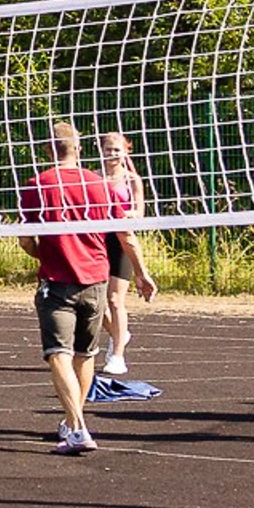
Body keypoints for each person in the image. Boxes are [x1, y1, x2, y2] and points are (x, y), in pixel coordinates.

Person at [20, 119, 147, 454]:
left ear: (49, 150)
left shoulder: (38, 184)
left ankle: (77, 427)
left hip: (59, 282)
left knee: (58, 354)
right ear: (79, 148)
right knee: (84, 354)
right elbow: (125, 234)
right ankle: (71, 422)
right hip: (96, 283)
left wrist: (42, 253)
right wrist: (143, 273)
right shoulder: (100, 185)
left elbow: (25, 240)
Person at [95, 130, 149, 383]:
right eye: (108, 149)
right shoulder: (93, 178)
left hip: (121, 242)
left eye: (117, 149)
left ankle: (117, 355)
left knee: (116, 300)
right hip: (96, 242)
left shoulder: (132, 180)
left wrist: (122, 215)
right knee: (96, 303)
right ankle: (120, 333)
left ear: (126, 151)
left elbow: (139, 213)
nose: (112, 154)